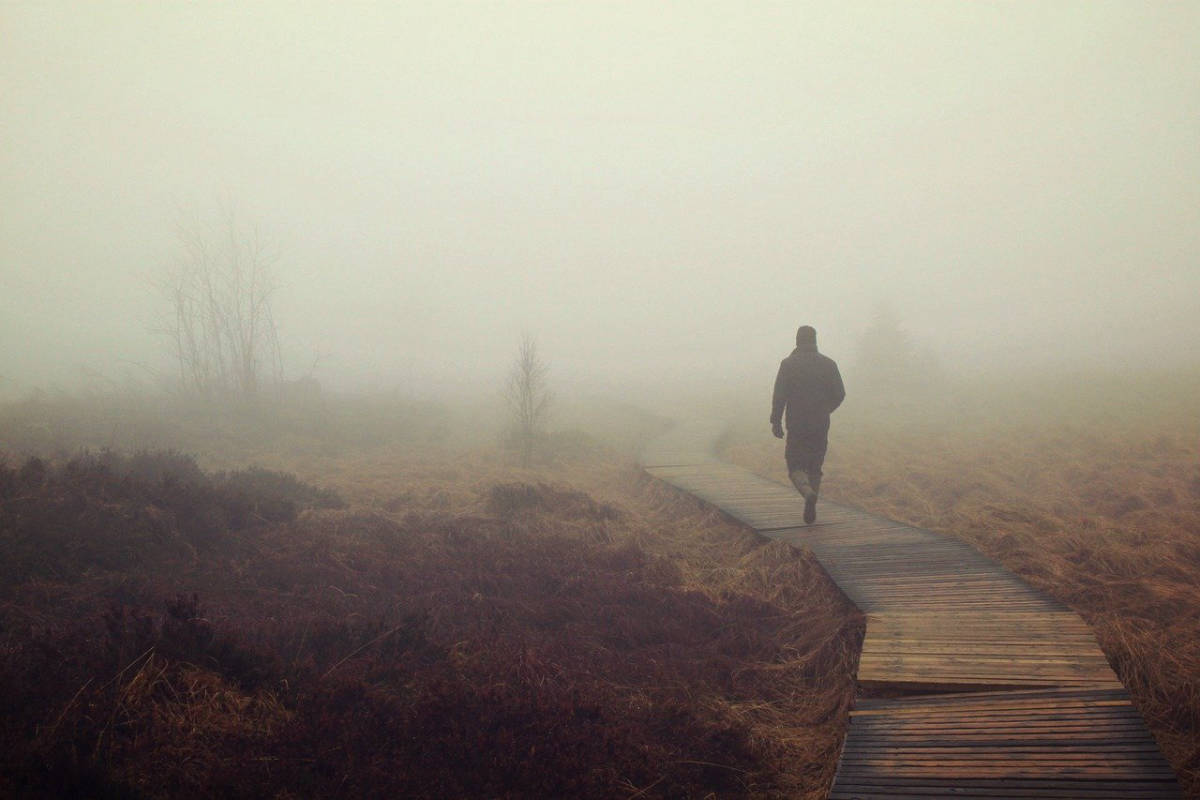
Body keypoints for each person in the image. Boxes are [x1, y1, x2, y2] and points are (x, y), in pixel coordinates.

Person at [770, 325, 845, 524]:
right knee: (815, 465)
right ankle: (812, 496)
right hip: (820, 423)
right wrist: (825, 410)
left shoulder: (788, 364)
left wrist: (776, 421)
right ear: (815, 340)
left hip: (797, 423)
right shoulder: (829, 364)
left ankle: (806, 492)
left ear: (797, 340)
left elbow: (779, 396)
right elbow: (840, 394)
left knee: (795, 464)